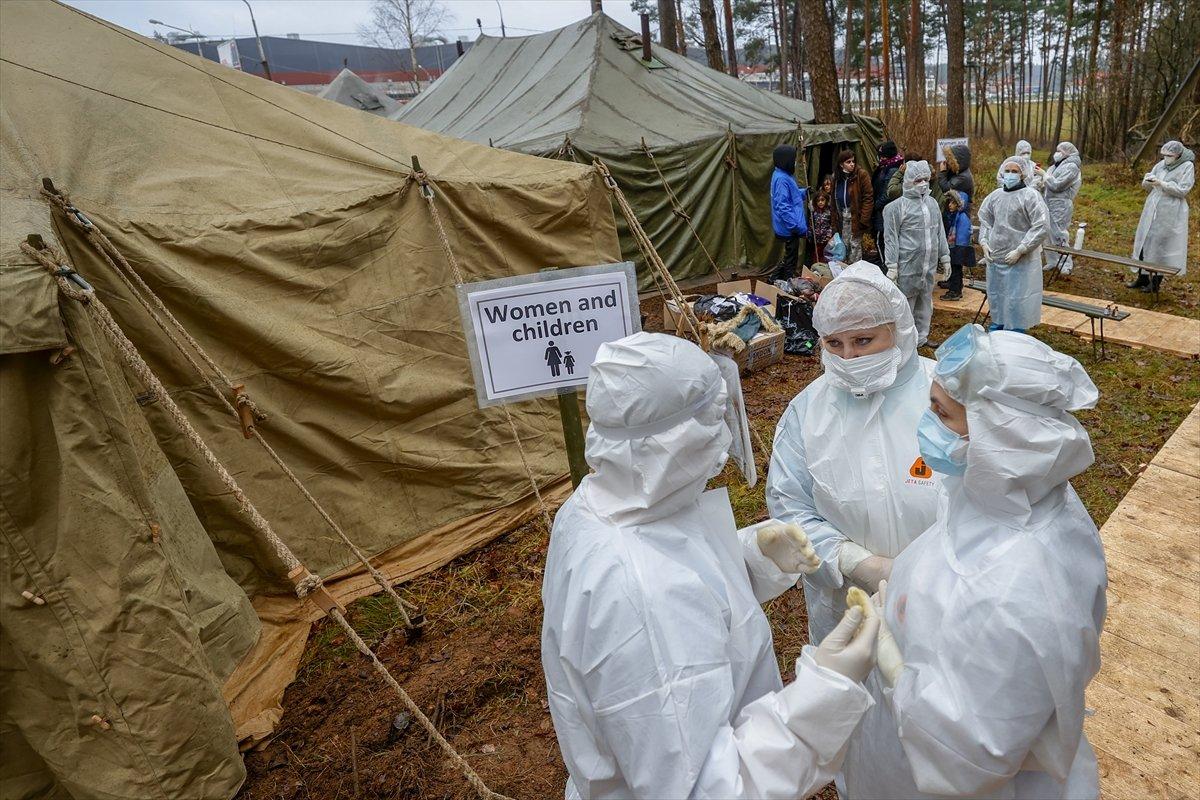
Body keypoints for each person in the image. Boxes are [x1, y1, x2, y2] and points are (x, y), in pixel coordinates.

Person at [542, 331, 882, 800]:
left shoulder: (601, 505)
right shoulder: (642, 596)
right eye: (712, 421)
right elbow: (707, 787)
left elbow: (682, 579)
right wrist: (826, 690)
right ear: (677, 443)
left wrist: (752, 556)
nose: (723, 437)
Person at [841, 324, 1107, 800]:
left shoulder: (1016, 588)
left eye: (941, 412)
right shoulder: (1016, 496)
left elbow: (971, 757)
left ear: (999, 431)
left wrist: (894, 668)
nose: (926, 422)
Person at [767, 262, 942, 651]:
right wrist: (853, 561)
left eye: (864, 340)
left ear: (898, 329)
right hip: (844, 604)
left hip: (941, 598)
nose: (848, 357)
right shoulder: (808, 410)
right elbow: (789, 504)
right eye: (834, 343)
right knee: (851, 698)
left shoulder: (943, 398)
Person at [977, 157, 1050, 332]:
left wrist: (1021, 249)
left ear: (1023, 174)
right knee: (997, 294)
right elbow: (986, 221)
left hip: (1021, 261)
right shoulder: (995, 196)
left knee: (1018, 297)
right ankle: (999, 324)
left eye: (1015, 171)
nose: (1010, 175)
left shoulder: (1031, 196)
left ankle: (1016, 331)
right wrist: (984, 242)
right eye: (1007, 171)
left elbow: (1041, 226)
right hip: (996, 258)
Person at [883, 161, 950, 347]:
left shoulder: (932, 204)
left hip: (927, 266)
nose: (923, 183)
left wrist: (945, 257)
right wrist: (892, 266)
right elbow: (891, 239)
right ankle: (904, 342)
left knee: (925, 303)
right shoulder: (896, 208)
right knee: (905, 305)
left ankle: (921, 338)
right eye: (918, 180)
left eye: (926, 179)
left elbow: (939, 232)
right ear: (909, 180)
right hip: (907, 266)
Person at [1129, 140, 1195, 293]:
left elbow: (1183, 189)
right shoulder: (1161, 165)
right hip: (1152, 206)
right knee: (1144, 240)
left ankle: (1156, 282)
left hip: (1171, 209)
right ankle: (1142, 277)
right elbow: (1148, 185)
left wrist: (1162, 184)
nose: (1166, 158)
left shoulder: (1187, 166)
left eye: (1170, 155)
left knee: (1160, 244)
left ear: (1178, 154)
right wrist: (1148, 180)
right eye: (1164, 155)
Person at [1042, 141, 1083, 275]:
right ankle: (1053, 261)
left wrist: (1044, 175)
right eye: (1057, 150)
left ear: (1068, 153)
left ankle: (1065, 263)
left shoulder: (1071, 167)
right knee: (1048, 233)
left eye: (1061, 151)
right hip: (1049, 202)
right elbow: (1047, 183)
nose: (1057, 153)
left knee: (1059, 233)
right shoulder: (1055, 166)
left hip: (1061, 204)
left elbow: (1057, 186)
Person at [771, 144, 809, 281]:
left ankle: (775, 280)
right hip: (789, 228)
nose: (794, 162)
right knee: (790, 260)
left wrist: (803, 192)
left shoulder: (782, 175)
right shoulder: (782, 179)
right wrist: (795, 226)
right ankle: (786, 283)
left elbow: (791, 195)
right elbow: (783, 205)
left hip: (789, 226)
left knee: (789, 256)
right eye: (793, 160)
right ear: (785, 160)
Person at [833, 149, 873, 263]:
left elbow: (868, 197)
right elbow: (833, 200)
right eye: (848, 162)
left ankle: (855, 270)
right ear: (841, 164)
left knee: (855, 245)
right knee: (844, 245)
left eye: (853, 161)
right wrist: (834, 220)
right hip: (843, 215)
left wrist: (864, 219)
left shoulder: (861, 175)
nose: (852, 164)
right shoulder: (837, 178)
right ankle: (845, 270)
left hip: (856, 216)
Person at [938, 190, 975, 301]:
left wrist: (957, 251)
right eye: (950, 202)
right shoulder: (955, 216)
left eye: (953, 203)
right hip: (956, 247)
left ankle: (955, 291)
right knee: (955, 270)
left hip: (959, 248)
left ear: (960, 204)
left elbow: (963, 236)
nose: (950, 205)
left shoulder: (962, 218)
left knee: (956, 269)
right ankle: (954, 287)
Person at [871, 140, 905, 263]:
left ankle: (885, 267)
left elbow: (889, 193)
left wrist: (876, 205)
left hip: (884, 211)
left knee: (882, 240)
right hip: (882, 210)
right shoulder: (884, 167)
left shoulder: (891, 170)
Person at [936, 142, 974, 208]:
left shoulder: (963, 177)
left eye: (950, 160)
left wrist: (943, 172)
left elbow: (946, 189)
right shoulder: (960, 170)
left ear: (957, 161)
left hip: (960, 209)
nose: (947, 162)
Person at [811, 187, 839, 263]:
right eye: (818, 201)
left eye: (822, 200)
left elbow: (831, 225)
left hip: (826, 239)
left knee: (826, 254)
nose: (820, 202)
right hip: (816, 238)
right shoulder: (814, 212)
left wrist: (829, 235)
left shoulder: (828, 212)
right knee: (816, 253)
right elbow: (812, 224)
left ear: (826, 201)